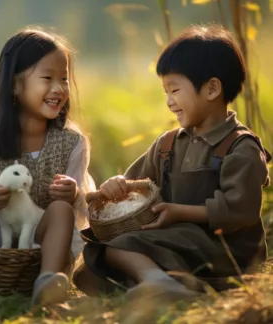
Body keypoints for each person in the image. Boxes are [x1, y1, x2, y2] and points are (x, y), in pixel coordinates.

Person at [73, 24, 271, 301]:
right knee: (94, 260)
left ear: (212, 88)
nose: (169, 101)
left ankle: (159, 283)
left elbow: (241, 209)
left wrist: (181, 212)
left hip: (225, 248)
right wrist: (117, 186)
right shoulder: (168, 144)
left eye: (174, 90)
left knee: (124, 248)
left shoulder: (240, 147)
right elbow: (135, 186)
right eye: (166, 91)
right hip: (177, 240)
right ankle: (177, 286)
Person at [0, 26, 95, 310]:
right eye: (47, 78)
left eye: (64, 78)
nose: (59, 88)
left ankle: (48, 283)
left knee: (61, 210)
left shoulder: (72, 141)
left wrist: (74, 193)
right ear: (15, 85)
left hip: (39, 237)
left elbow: (83, 206)